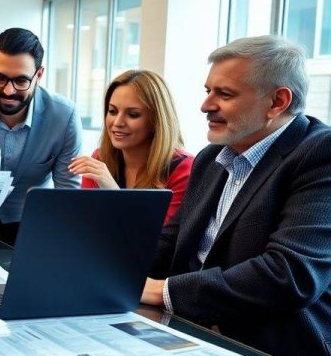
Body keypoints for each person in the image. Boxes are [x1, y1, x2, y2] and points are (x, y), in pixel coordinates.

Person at [141, 35, 331, 356]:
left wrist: (163, 291)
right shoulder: (210, 158)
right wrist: (107, 272)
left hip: (270, 342)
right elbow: (172, 243)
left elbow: (290, 275)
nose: (205, 105)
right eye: (208, 91)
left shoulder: (320, 154)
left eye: (224, 94)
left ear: (277, 102)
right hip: (191, 329)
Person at [0, 28, 82, 245]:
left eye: (21, 81)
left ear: (39, 75)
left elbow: (67, 197)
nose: (7, 91)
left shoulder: (64, 117)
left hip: (30, 224)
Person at [68, 70, 193, 225]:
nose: (117, 122)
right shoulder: (100, 159)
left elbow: (158, 241)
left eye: (133, 114)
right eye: (112, 111)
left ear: (156, 121)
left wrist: (113, 192)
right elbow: (87, 227)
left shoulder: (184, 169)